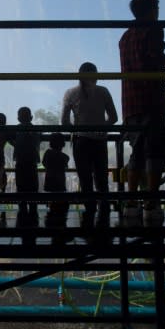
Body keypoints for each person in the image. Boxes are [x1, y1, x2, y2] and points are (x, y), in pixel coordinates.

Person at [119, 0, 165, 226]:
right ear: (153, 9)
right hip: (152, 98)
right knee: (154, 153)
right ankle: (151, 203)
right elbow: (156, 56)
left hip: (130, 102)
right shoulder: (153, 28)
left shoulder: (125, 37)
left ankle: (132, 203)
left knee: (136, 152)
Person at [61, 62, 118, 224]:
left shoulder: (70, 93)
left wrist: (77, 130)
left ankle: (90, 210)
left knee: (85, 178)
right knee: (101, 177)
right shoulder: (103, 91)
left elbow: (64, 122)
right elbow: (113, 118)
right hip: (99, 140)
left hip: (80, 140)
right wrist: (101, 127)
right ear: (96, 75)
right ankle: (104, 210)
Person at [13, 107, 41, 218]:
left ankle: (22, 207)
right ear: (31, 117)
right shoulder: (35, 130)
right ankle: (33, 207)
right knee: (33, 185)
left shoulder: (16, 129)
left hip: (20, 160)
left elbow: (10, 138)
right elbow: (38, 140)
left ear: (18, 118)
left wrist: (15, 144)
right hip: (32, 161)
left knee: (20, 185)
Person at [42, 132, 70, 226]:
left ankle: (52, 217)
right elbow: (65, 166)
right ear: (63, 144)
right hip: (60, 180)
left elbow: (44, 163)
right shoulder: (65, 157)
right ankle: (59, 220)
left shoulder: (47, 153)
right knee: (60, 199)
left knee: (52, 198)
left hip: (49, 179)